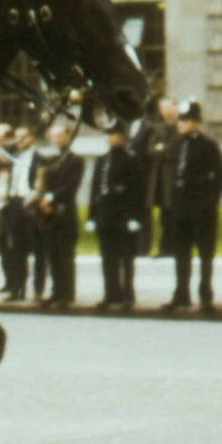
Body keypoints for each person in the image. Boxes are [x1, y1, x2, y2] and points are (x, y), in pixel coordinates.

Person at [164, 99, 222, 310]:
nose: (181, 124)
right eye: (180, 120)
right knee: (181, 253)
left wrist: (210, 201)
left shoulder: (208, 145)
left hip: (202, 208)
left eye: (187, 120)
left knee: (205, 254)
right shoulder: (177, 144)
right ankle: (181, 292)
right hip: (181, 207)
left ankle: (205, 294)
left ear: (197, 122)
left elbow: (220, 175)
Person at [90, 122, 145, 309]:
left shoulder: (131, 160)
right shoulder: (102, 160)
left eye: (114, 134)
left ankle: (127, 294)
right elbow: (95, 190)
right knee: (108, 258)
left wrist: (135, 217)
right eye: (108, 134)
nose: (111, 138)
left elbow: (138, 192)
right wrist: (92, 216)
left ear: (122, 137)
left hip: (123, 216)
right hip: (105, 215)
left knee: (126, 258)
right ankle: (111, 293)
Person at [32, 122, 84, 307]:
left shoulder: (75, 160)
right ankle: (56, 291)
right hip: (49, 212)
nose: (57, 139)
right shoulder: (50, 159)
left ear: (68, 137)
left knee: (65, 255)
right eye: (54, 136)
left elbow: (70, 186)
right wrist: (42, 199)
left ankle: (67, 293)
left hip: (65, 212)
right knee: (52, 254)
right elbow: (42, 181)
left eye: (60, 136)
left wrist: (51, 197)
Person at [0, 126, 37, 300]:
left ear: (31, 137)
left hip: (28, 202)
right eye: (16, 138)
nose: (19, 141)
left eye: (22, 137)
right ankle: (16, 287)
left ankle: (30, 287)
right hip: (13, 202)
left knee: (26, 247)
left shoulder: (37, 157)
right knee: (14, 247)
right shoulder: (14, 156)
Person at [133, 95, 178, 259]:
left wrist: (163, 150)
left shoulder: (181, 125)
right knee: (151, 214)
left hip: (172, 177)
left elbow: (175, 148)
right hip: (156, 177)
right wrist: (161, 150)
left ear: (175, 107)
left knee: (170, 214)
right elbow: (150, 149)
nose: (165, 111)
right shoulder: (155, 126)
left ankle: (169, 248)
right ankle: (145, 247)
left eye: (168, 107)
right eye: (162, 107)